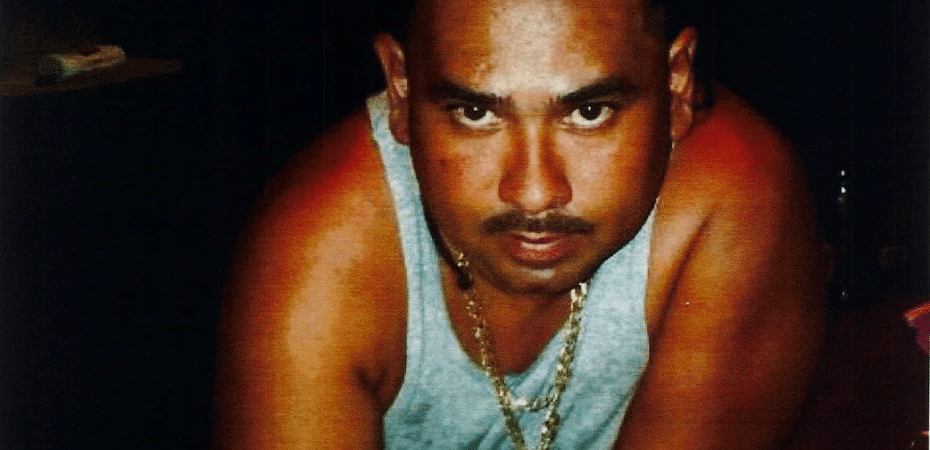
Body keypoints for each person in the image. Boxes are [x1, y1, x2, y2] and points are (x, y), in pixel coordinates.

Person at [213, 0, 828, 448]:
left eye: (590, 112)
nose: (534, 192)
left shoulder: (736, 196)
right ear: (400, 89)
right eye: (474, 113)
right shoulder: (319, 252)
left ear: (677, 85)